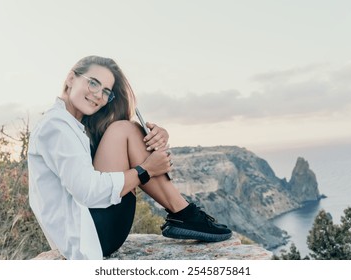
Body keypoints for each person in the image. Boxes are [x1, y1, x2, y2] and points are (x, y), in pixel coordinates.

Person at [28, 55, 232, 260]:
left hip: (95, 232)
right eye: (93, 83)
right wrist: (145, 170)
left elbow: (120, 150)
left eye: (106, 92)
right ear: (71, 78)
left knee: (126, 129)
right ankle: (185, 214)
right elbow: (86, 191)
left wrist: (154, 136)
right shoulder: (56, 126)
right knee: (123, 129)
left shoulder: (74, 124)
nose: (98, 95)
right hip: (90, 238)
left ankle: (184, 214)